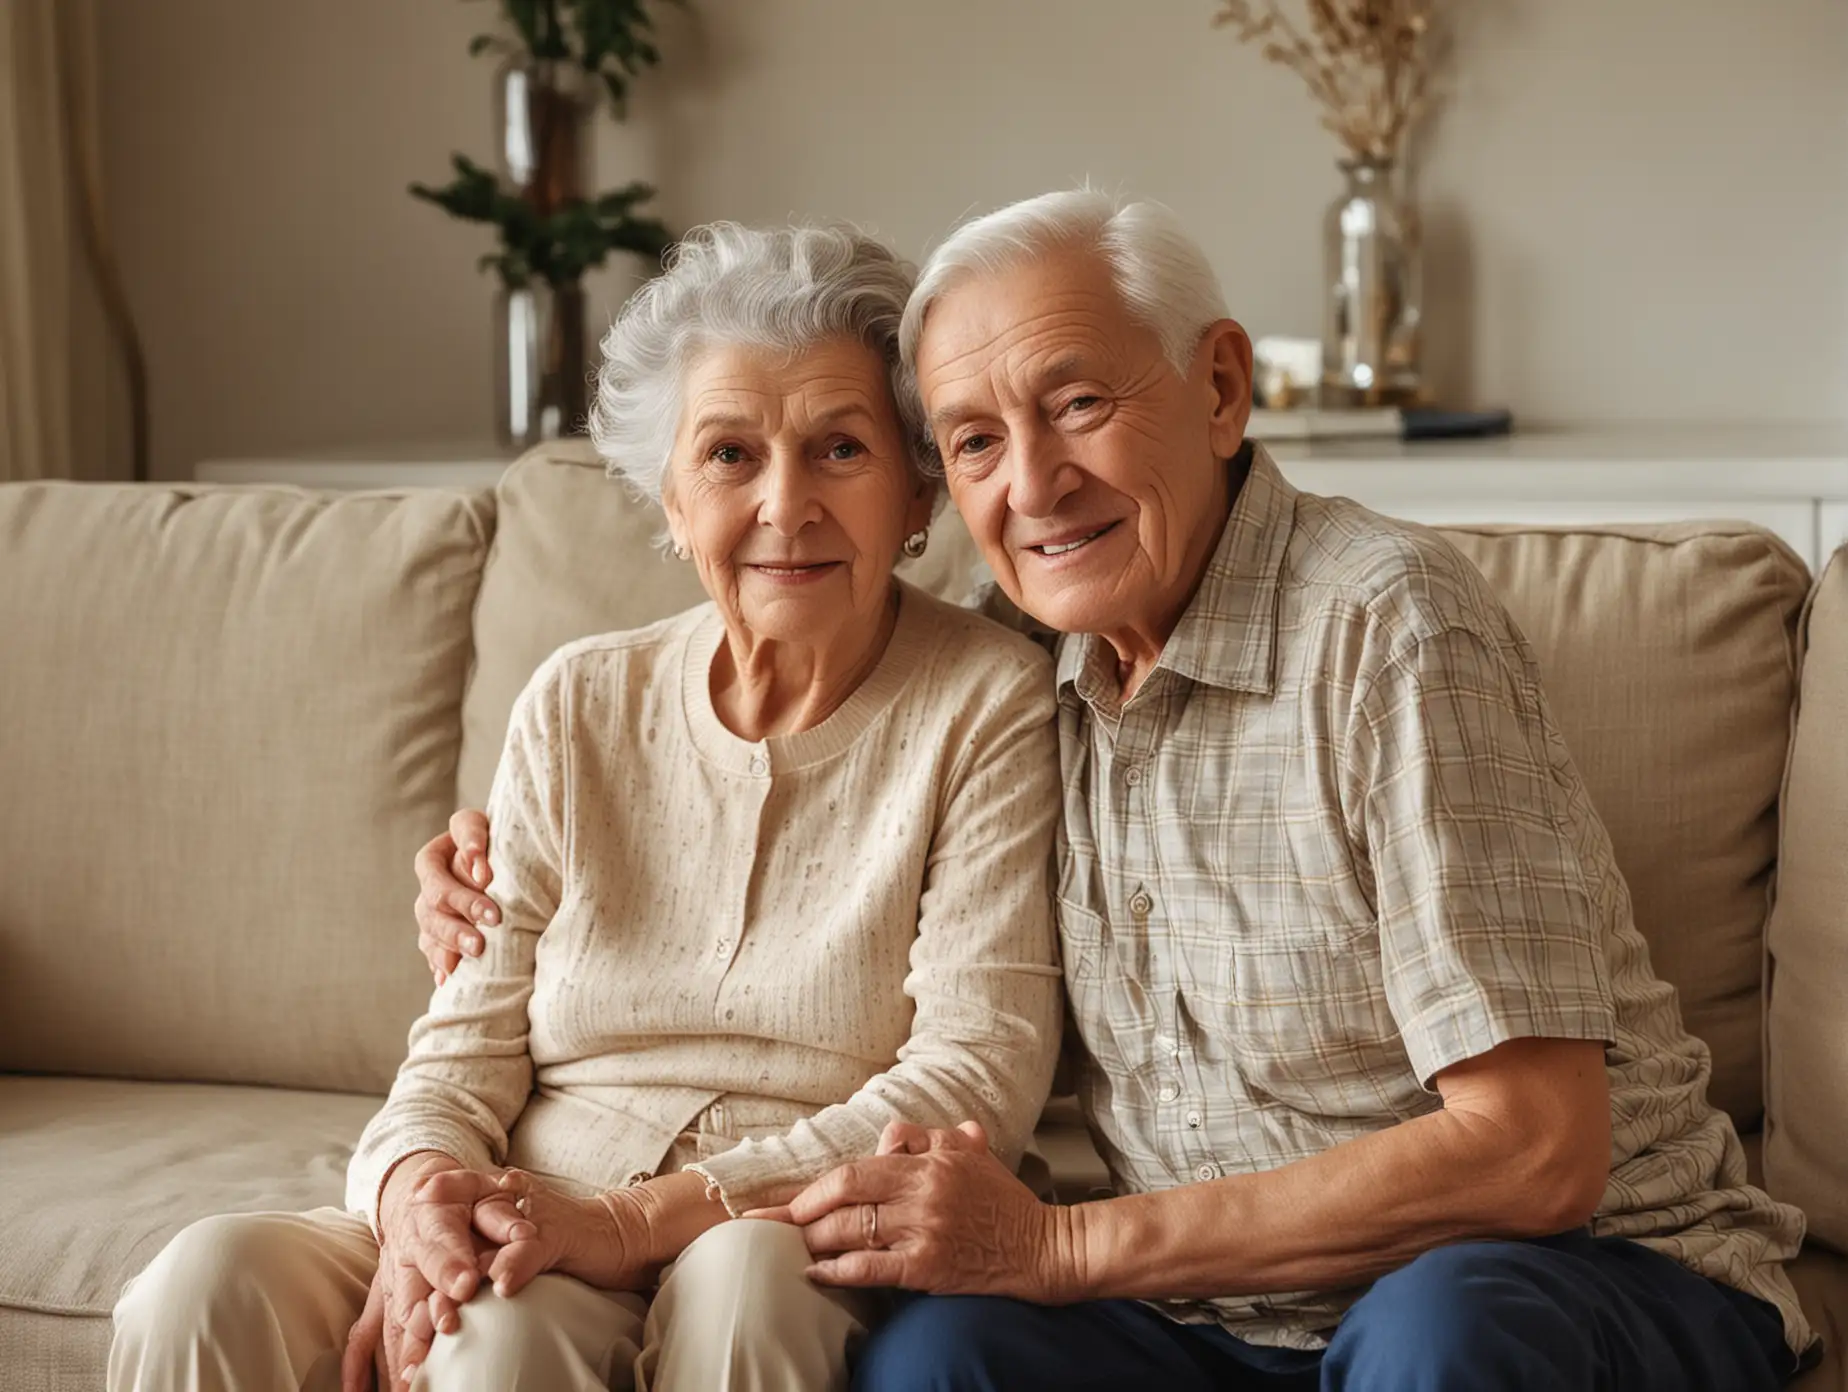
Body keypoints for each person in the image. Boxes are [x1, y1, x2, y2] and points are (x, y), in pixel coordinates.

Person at [415, 193, 1818, 1390]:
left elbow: (1533, 1158)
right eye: (972, 441)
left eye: (1078, 403)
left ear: (1218, 387)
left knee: (1438, 1339)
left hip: (1564, 1275)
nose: (1034, 483)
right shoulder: (1021, 663)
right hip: (1217, 1316)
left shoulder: (1390, 629)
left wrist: (1064, 1249)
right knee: (933, 1361)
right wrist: (499, 857)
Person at [108, 223, 1064, 1392]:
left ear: (919, 490)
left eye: (840, 449)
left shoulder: (989, 701)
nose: (784, 504)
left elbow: (973, 1076)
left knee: (675, 1299)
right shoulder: (579, 701)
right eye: (728, 456)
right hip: (528, 1204)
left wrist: (632, 1220)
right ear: (667, 496)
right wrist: (418, 1201)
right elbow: (461, 1049)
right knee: (203, 1283)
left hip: (784, 1219)